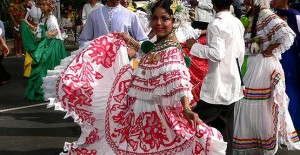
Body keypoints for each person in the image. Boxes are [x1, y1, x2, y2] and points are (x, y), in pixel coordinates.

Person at [42, 0, 228, 154]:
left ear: (174, 21)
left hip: (157, 113)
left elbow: (180, 81)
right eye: (155, 18)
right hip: (138, 110)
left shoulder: (172, 49)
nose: (158, 23)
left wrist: (186, 108)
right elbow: (149, 52)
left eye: (164, 19)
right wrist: (127, 39)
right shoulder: (161, 44)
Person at [233, 0, 300, 153]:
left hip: (262, 65)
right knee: (252, 102)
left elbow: (287, 33)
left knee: (260, 103)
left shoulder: (264, 13)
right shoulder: (251, 13)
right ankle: (254, 140)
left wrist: (270, 49)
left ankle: (261, 140)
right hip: (253, 63)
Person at [184, 0, 246, 153]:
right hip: (233, 82)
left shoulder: (216, 24)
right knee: (225, 129)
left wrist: (194, 46)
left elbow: (217, 54)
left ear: (212, 2)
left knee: (194, 123)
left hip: (218, 85)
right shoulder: (237, 22)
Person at [21, 0, 67, 101]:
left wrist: (45, 35)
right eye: (40, 5)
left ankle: (48, 91)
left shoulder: (51, 18)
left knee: (45, 67)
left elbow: (54, 32)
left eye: (44, 5)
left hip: (53, 45)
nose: (41, 7)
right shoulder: (44, 18)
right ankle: (46, 90)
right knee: (43, 67)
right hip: (47, 44)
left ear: (49, 6)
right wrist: (26, 23)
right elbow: (38, 30)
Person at [272, 0, 300, 132]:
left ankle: (292, 123)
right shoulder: (271, 15)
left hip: (291, 57)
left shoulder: (295, 16)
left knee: (289, 88)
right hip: (277, 55)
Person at [78, 0, 148, 48]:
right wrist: (94, 49)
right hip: (99, 64)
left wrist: (131, 51)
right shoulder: (94, 15)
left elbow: (143, 41)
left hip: (123, 63)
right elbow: (83, 41)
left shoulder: (131, 15)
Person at [0, 21, 11, 86]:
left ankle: (4, 78)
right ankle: (6, 77)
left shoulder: (0, 22)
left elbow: (2, 35)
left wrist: (2, 46)